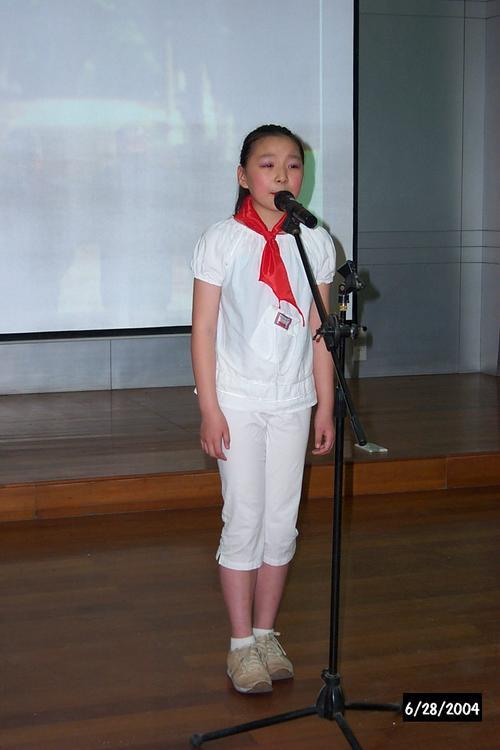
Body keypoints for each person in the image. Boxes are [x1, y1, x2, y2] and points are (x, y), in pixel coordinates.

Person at [191, 124, 336, 694]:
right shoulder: (222, 240)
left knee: (281, 521)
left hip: (293, 399)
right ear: (243, 175)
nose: (282, 174)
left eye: (293, 165)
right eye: (268, 163)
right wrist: (210, 409)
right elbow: (203, 330)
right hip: (237, 400)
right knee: (245, 517)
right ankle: (239, 645)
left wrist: (325, 406)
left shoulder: (316, 242)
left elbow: (322, 333)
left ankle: (266, 633)